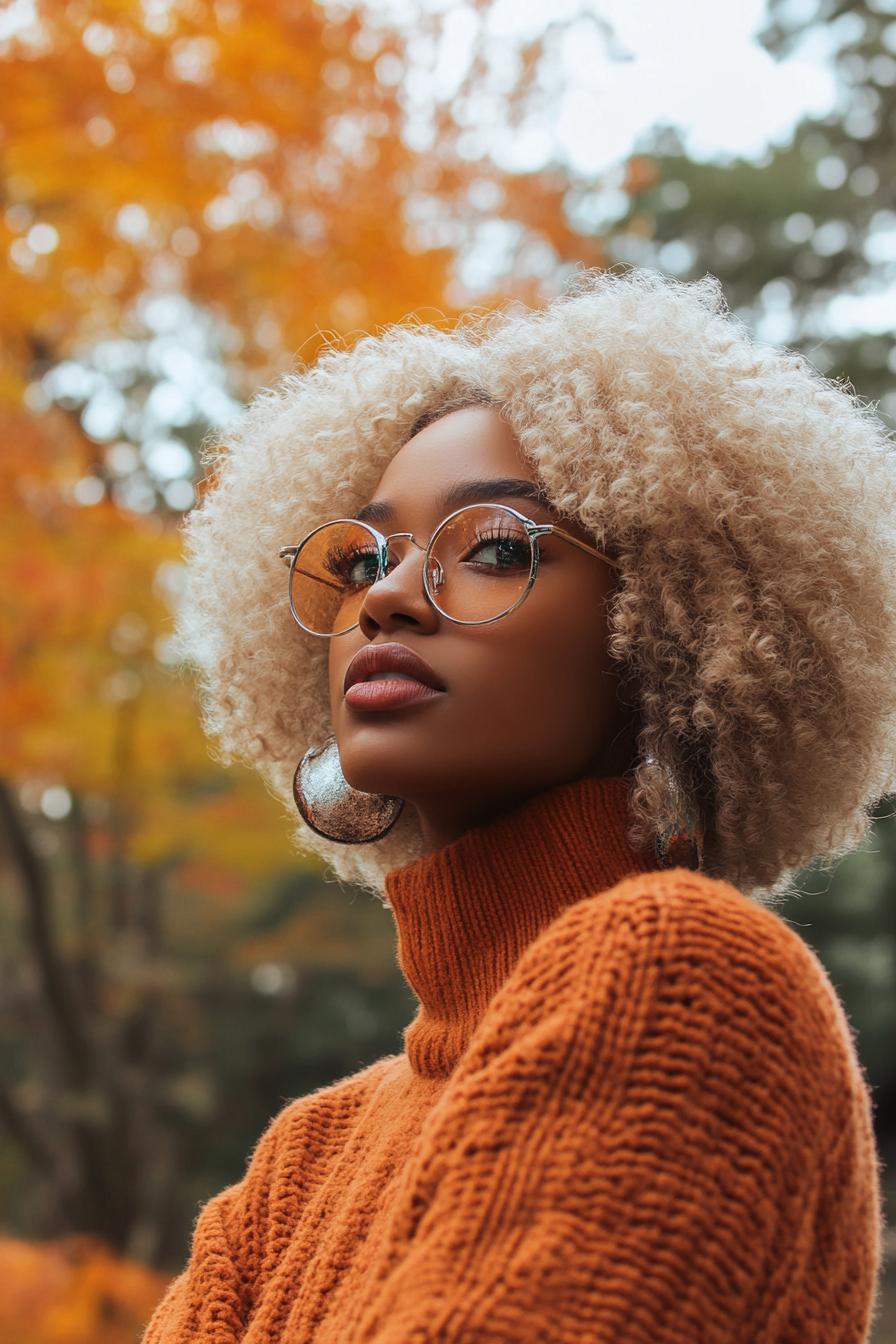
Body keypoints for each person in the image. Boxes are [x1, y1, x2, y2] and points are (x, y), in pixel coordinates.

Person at [142, 269, 895, 1343]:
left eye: (493, 547)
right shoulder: (300, 1164)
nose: (389, 598)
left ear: (665, 629)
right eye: (363, 558)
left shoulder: (680, 977)